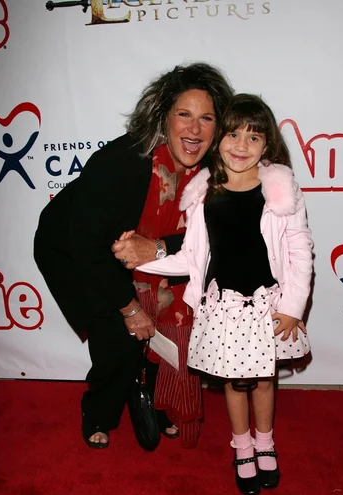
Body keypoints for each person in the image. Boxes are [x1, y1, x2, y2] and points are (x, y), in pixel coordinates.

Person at [34, 63, 233, 450]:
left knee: (169, 329)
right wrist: (128, 308)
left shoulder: (218, 171)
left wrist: (157, 248)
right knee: (117, 342)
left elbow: (215, 238)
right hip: (78, 250)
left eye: (206, 118)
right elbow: (86, 241)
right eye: (184, 115)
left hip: (154, 258)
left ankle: (158, 405)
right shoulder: (123, 163)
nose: (195, 130)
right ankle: (99, 413)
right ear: (164, 118)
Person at [128, 94, 313, 495]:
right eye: (232, 135)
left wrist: (293, 308)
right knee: (234, 382)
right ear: (219, 140)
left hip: (268, 305)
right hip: (224, 307)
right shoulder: (204, 191)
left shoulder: (279, 189)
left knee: (265, 381)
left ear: (267, 146)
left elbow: (300, 252)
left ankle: (265, 444)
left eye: (253, 138)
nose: (240, 146)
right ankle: (242, 447)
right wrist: (140, 261)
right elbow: (190, 257)